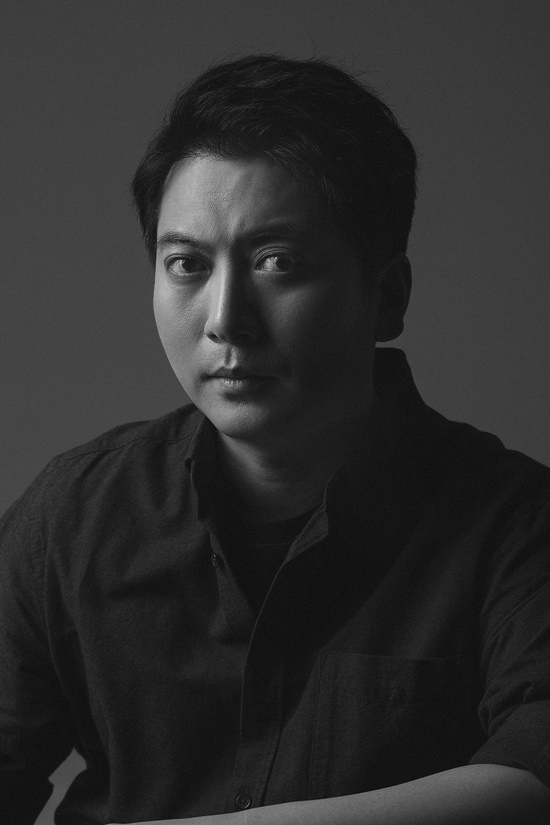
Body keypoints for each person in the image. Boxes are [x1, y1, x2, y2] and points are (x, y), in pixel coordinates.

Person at [1, 54, 550, 825]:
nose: (226, 318)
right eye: (186, 264)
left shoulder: (516, 523)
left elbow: (536, 776)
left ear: (386, 295)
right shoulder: (74, 515)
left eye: (277, 263)